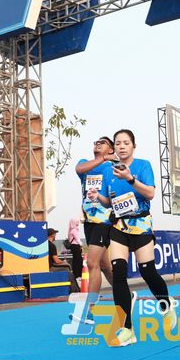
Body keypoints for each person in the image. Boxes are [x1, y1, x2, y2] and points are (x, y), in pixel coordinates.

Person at [88, 129, 176, 347]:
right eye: (118, 143)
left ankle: (166, 305)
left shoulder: (143, 166)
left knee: (148, 272)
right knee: (118, 273)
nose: (121, 146)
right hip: (118, 226)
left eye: (126, 143)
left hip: (141, 225)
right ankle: (127, 329)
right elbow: (109, 201)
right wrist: (97, 197)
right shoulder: (108, 171)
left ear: (133, 146)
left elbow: (150, 194)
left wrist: (130, 178)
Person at [73, 136, 117, 324]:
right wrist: (103, 158)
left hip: (104, 221)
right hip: (89, 221)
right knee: (106, 266)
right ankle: (124, 292)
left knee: (92, 263)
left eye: (103, 142)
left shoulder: (113, 168)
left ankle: (89, 311)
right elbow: (79, 169)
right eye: (96, 142)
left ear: (111, 149)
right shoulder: (86, 164)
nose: (98, 144)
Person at [47, 228, 80, 293]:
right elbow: (56, 261)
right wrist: (64, 261)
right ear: (52, 235)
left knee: (66, 266)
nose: (56, 235)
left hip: (47, 265)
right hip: (50, 267)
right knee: (68, 268)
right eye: (55, 234)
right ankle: (74, 289)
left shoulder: (45, 244)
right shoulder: (52, 245)